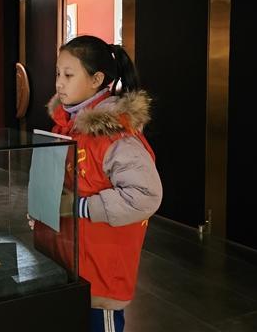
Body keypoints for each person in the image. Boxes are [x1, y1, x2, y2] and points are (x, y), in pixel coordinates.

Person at [34, 35, 162, 332]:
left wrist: (79, 206)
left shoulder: (116, 136)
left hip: (100, 271)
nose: (59, 84)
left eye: (68, 75)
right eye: (57, 74)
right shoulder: (66, 126)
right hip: (70, 261)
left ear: (97, 79)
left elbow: (145, 196)